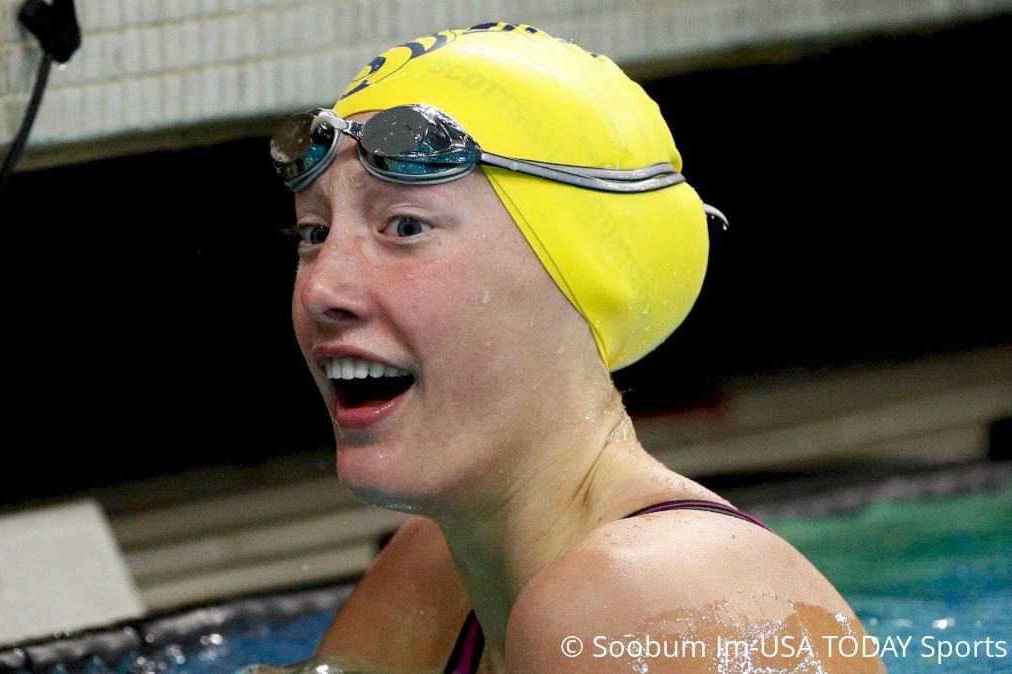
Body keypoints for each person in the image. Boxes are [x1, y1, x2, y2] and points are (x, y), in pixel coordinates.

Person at [268, 22, 886, 674]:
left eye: (406, 226)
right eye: (314, 233)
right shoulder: (439, 566)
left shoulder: (638, 596)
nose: (322, 289)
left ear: (577, 273)